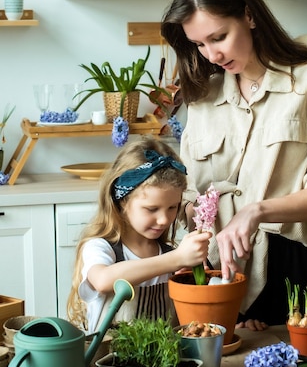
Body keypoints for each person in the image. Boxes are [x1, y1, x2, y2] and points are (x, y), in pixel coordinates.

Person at [160, 0, 307, 331]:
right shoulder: (203, 98)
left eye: (219, 37)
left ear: (250, 15)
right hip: (221, 272)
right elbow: (189, 191)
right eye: (198, 44)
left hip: (302, 271)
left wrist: (256, 211)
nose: (212, 55)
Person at [67, 136, 211, 333]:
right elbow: (103, 280)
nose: (164, 219)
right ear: (123, 201)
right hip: (109, 362)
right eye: (152, 209)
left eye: (172, 207)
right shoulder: (101, 247)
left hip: (164, 362)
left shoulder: (170, 255)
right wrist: (176, 259)